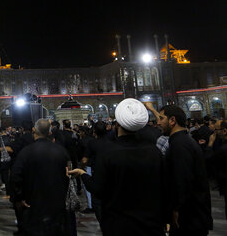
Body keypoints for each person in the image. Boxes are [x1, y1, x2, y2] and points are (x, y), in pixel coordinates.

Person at [70, 98, 167, 235]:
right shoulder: (154, 152)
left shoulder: (108, 153)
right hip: (151, 224)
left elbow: (98, 189)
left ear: (118, 124)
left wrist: (82, 173)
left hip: (119, 225)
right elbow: (165, 187)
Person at [157, 104, 213, 235]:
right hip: (192, 215)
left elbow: (183, 181)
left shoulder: (180, 145)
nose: (158, 122)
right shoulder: (182, 140)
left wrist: (176, 210)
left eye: (161, 118)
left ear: (172, 120)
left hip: (189, 218)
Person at [10, 118, 71, 236]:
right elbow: (69, 173)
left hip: (33, 203)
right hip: (57, 203)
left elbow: (15, 176)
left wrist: (19, 197)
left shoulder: (26, 152)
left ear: (34, 130)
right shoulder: (62, 151)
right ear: (49, 132)